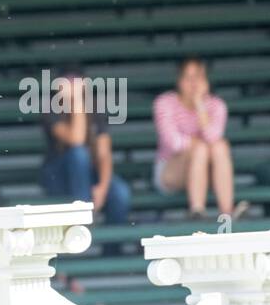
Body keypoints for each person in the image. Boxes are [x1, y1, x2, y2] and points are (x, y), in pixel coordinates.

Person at [152, 57, 247, 220]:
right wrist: (198, 145)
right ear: (179, 81)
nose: (194, 84)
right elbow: (174, 143)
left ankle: (227, 211)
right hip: (171, 171)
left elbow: (214, 138)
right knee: (202, 149)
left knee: (220, 147)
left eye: (199, 77)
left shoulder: (217, 105)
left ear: (206, 81)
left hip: (207, 172)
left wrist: (199, 105)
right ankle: (197, 211)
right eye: (189, 78)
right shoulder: (164, 103)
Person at [39, 73, 131, 230]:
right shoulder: (49, 107)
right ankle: (83, 222)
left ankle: (112, 250)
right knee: (78, 154)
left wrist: (102, 187)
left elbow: (104, 154)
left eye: (75, 81)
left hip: (89, 176)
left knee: (120, 193)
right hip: (58, 177)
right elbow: (76, 139)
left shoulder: (95, 107)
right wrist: (76, 101)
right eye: (68, 82)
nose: (72, 86)